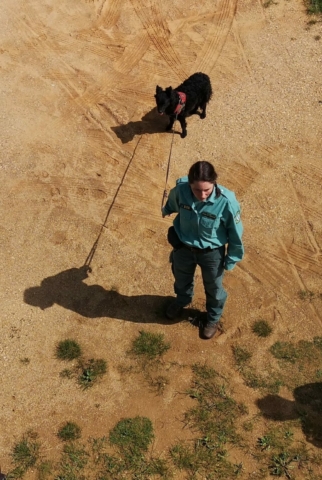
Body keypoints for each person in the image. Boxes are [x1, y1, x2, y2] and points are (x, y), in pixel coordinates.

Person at [162, 160, 244, 339]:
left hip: (212, 254)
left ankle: (213, 318)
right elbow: (173, 202)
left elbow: (235, 234)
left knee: (214, 288)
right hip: (183, 248)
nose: (203, 195)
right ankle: (182, 300)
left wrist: (231, 258)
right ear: (190, 184)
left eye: (207, 190)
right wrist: (167, 209)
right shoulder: (181, 190)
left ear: (214, 182)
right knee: (181, 278)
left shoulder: (226, 201)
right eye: (197, 190)